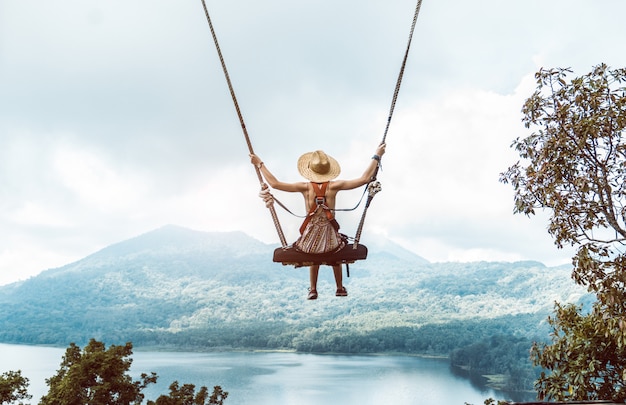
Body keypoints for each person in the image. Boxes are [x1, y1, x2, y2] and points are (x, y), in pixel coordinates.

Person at [250, 143, 386, 300]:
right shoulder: (335, 186)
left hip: (309, 244)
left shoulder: (305, 187)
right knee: (338, 245)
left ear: (310, 171)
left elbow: (275, 184)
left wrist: (259, 164)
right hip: (331, 243)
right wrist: (377, 155)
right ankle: (339, 287)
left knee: (314, 251)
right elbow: (364, 179)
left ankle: (313, 289)